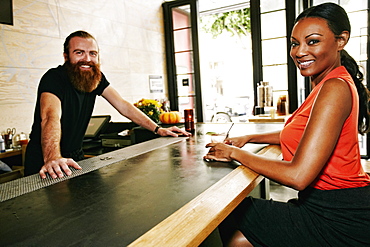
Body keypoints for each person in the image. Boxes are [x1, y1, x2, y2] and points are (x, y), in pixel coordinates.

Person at [204, 3, 370, 246]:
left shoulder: (334, 88)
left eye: (312, 41)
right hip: (326, 204)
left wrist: (234, 153)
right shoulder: (327, 83)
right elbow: (298, 133)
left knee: (224, 212)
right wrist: (249, 138)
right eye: (294, 43)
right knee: (238, 234)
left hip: (338, 214)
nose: (299, 52)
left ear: (341, 40)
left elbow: (299, 175)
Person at [25, 30, 190, 179]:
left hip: (75, 156)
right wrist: (53, 158)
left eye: (92, 53)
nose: (87, 59)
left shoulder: (95, 77)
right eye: (79, 52)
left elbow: (123, 105)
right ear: (66, 56)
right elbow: (49, 116)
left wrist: (158, 129)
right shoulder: (54, 78)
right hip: (45, 160)